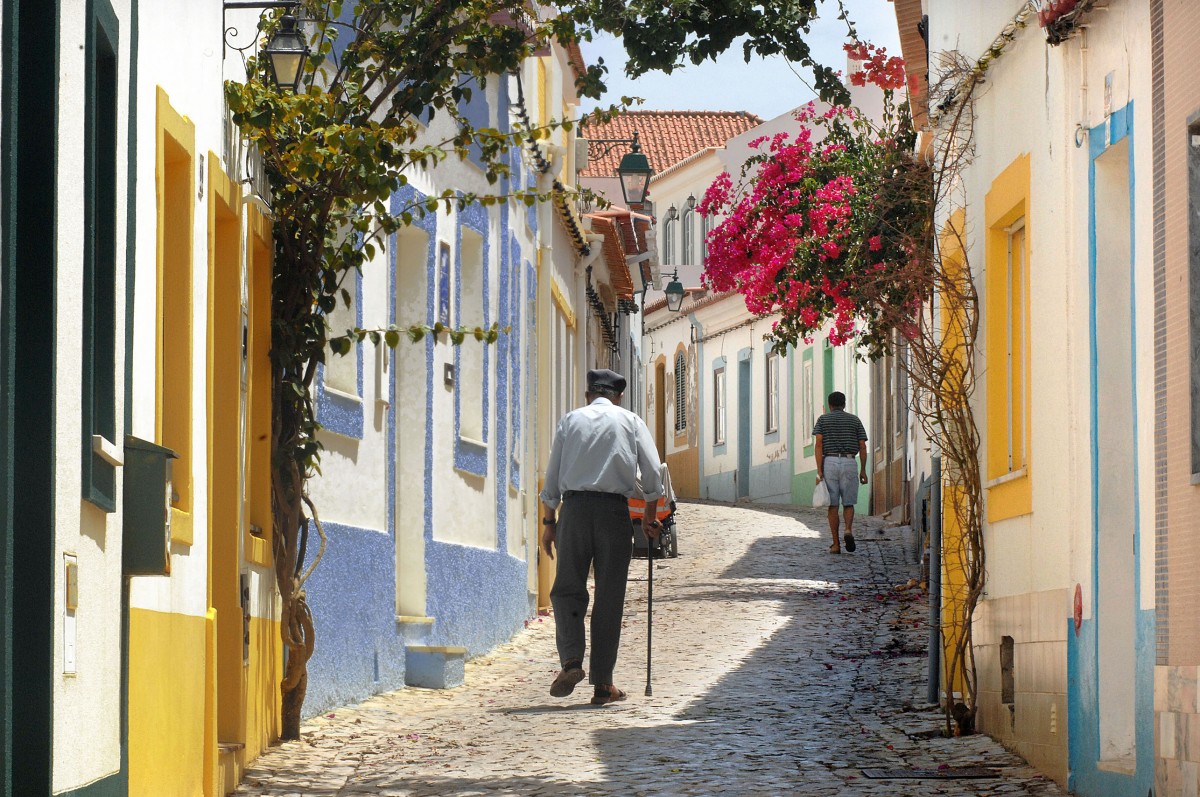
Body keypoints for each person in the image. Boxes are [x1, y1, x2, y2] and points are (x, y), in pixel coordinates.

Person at [540, 368, 663, 705]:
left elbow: (552, 475)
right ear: (618, 396)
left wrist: (549, 521)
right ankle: (603, 684)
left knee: (567, 590)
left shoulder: (571, 420)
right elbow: (653, 473)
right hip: (613, 514)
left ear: (587, 395)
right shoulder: (631, 421)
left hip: (575, 511)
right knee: (609, 598)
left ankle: (571, 661)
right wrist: (650, 519)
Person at [813, 391, 868, 554]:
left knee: (833, 504)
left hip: (829, 461)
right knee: (849, 503)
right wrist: (863, 469)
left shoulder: (823, 420)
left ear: (830, 405)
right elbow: (863, 446)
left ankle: (836, 544)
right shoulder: (854, 420)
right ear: (844, 404)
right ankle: (848, 530)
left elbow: (818, 444)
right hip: (850, 461)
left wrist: (819, 470)